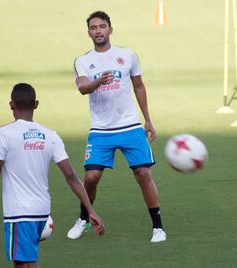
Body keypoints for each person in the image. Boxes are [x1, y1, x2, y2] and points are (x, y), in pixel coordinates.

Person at [0, 83, 105, 268]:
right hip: (42, 211)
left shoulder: (3, 133)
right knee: (23, 263)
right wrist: (90, 210)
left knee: (25, 264)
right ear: (36, 104)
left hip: (19, 212)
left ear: (11, 104)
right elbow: (72, 176)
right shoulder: (50, 135)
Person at [68, 11, 166, 243]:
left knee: (143, 173)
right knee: (91, 177)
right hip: (101, 129)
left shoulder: (128, 55)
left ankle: (158, 227)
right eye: (94, 27)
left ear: (111, 29)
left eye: (103, 26)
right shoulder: (82, 61)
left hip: (130, 125)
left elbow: (139, 87)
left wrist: (148, 119)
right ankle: (84, 219)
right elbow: (82, 88)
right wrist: (98, 82)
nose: (98, 31)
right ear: (89, 32)